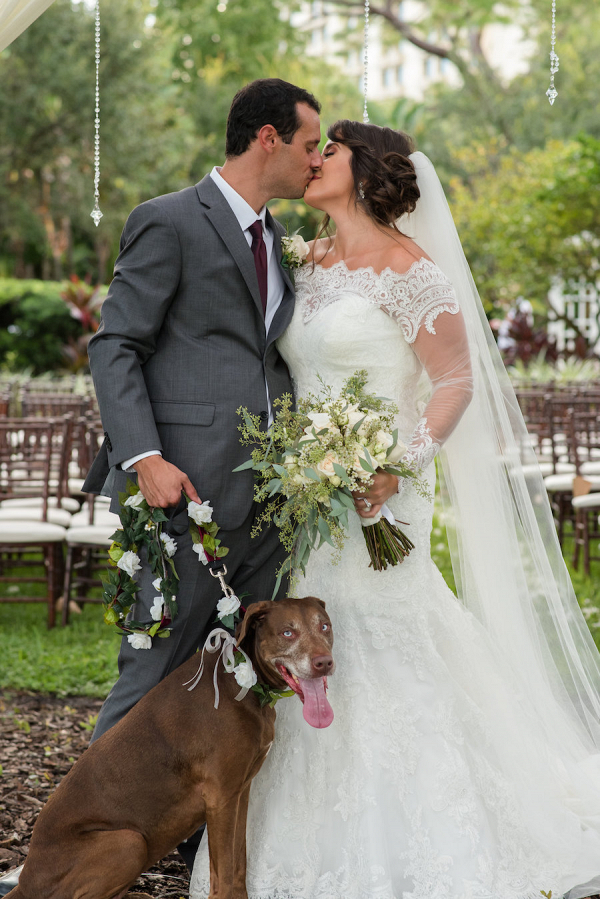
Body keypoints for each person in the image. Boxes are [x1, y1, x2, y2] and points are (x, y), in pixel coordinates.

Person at [190, 121, 600, 899]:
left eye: (330, 152)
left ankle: (432, 835)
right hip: (308, 499)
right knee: (304, 635)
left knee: (384, 638)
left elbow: (453, 382)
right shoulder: (307, 261)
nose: (315, 162)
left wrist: (394, 464)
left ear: (367, 171)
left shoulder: (414, 271)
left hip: (381, 493)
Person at [82, 78, 322, 869]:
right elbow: (115, 345)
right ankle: (68, 849)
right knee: (155, 666)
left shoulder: (279, 238)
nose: (315, 158)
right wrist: (144, 456)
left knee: (231, 675)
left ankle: (194, 854)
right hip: (178, 491)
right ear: (266, 139)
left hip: (265, 503)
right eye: (309, 143)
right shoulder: (170, 220)